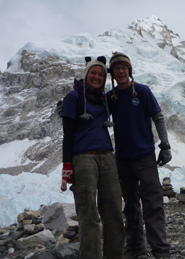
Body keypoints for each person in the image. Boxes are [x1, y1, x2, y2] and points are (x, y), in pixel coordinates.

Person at [107, 52, 172, 259]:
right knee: (131, 206)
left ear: (130, 70)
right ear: (112, 73)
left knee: (153, 204)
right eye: (117, 68)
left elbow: (158, 116)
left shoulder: (142, 91)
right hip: (122, 159)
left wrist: (165, 145)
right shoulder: (111, 97)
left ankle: (161, 252)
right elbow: (94, 114)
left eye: (124, 67)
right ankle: (136, 248)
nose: (121, 71)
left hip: (144, 157)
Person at [61, 56, 125, 259]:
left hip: (107, 156)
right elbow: (68, 133)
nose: (97, 77)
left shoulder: (105, 99)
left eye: (100, 74)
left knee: (114, 210)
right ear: (86, 74)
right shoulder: (73, 97)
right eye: (93, 73)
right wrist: (67, 164)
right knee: (88, 215)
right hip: (83, 158)